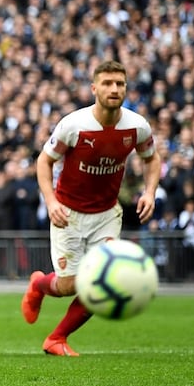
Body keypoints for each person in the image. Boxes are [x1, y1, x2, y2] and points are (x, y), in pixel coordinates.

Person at [22, 60, 161, 356]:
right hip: (68, 214)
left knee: (100, 283)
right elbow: (44, 161)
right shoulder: (74, 125)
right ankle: (39, 285)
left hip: (106, 215)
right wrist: (51, 201)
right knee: (68, 286)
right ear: (94, 88)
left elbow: (152, 158)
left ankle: (56, 338)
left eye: (119, 84)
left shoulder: (136, 126)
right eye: (108, 83)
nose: (114, 89)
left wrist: (150, 192)